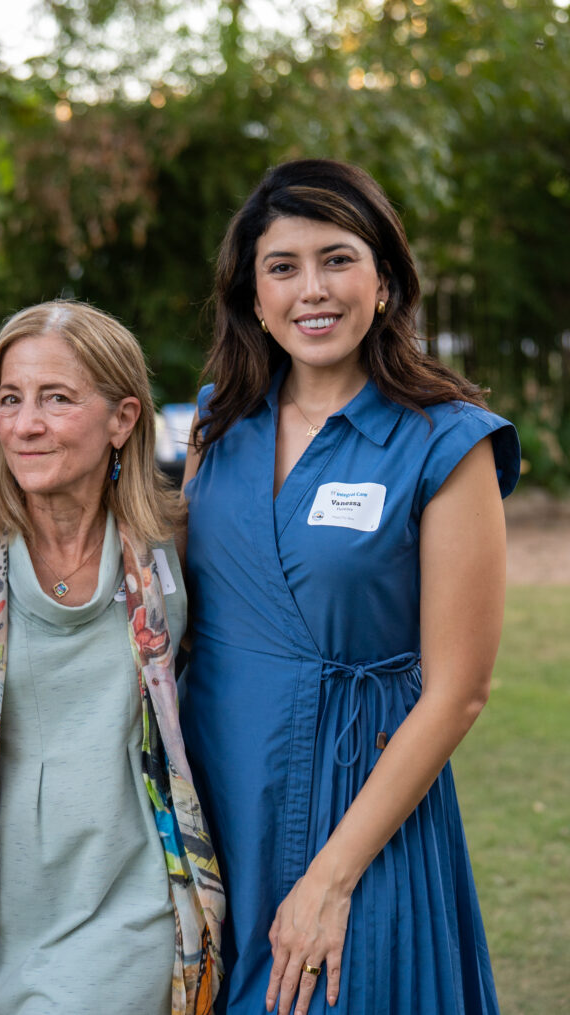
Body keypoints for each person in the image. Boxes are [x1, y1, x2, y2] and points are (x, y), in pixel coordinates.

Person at [180, 159, 518, 1015]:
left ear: (386, 279)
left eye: (337, 258)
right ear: (253, 295)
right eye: (282, 266)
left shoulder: (447, 442)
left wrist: (331, 876)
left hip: (359, 813)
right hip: (219, 795)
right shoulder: (218, 422)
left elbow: (459, 692)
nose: (312, 289)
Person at [0, 300, 225, 1015]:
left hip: (131, 896)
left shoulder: (172, 547)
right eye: (10, 400)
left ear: (122, 418)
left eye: (56, 398)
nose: (26, 424)